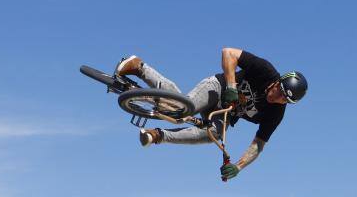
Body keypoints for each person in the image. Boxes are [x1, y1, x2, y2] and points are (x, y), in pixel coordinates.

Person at [115, 49, 308, 181]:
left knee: (212, 135)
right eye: (280, 91)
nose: (278, 98)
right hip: (217, 88)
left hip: (224, 112)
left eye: (285, 99)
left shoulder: (275, 114)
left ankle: (157, 135)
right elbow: (229, 52)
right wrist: (232, 86)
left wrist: (238, 167)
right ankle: (138, 66)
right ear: (278, 81)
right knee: (185, 108)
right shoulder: (265, 70)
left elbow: (258, 145)